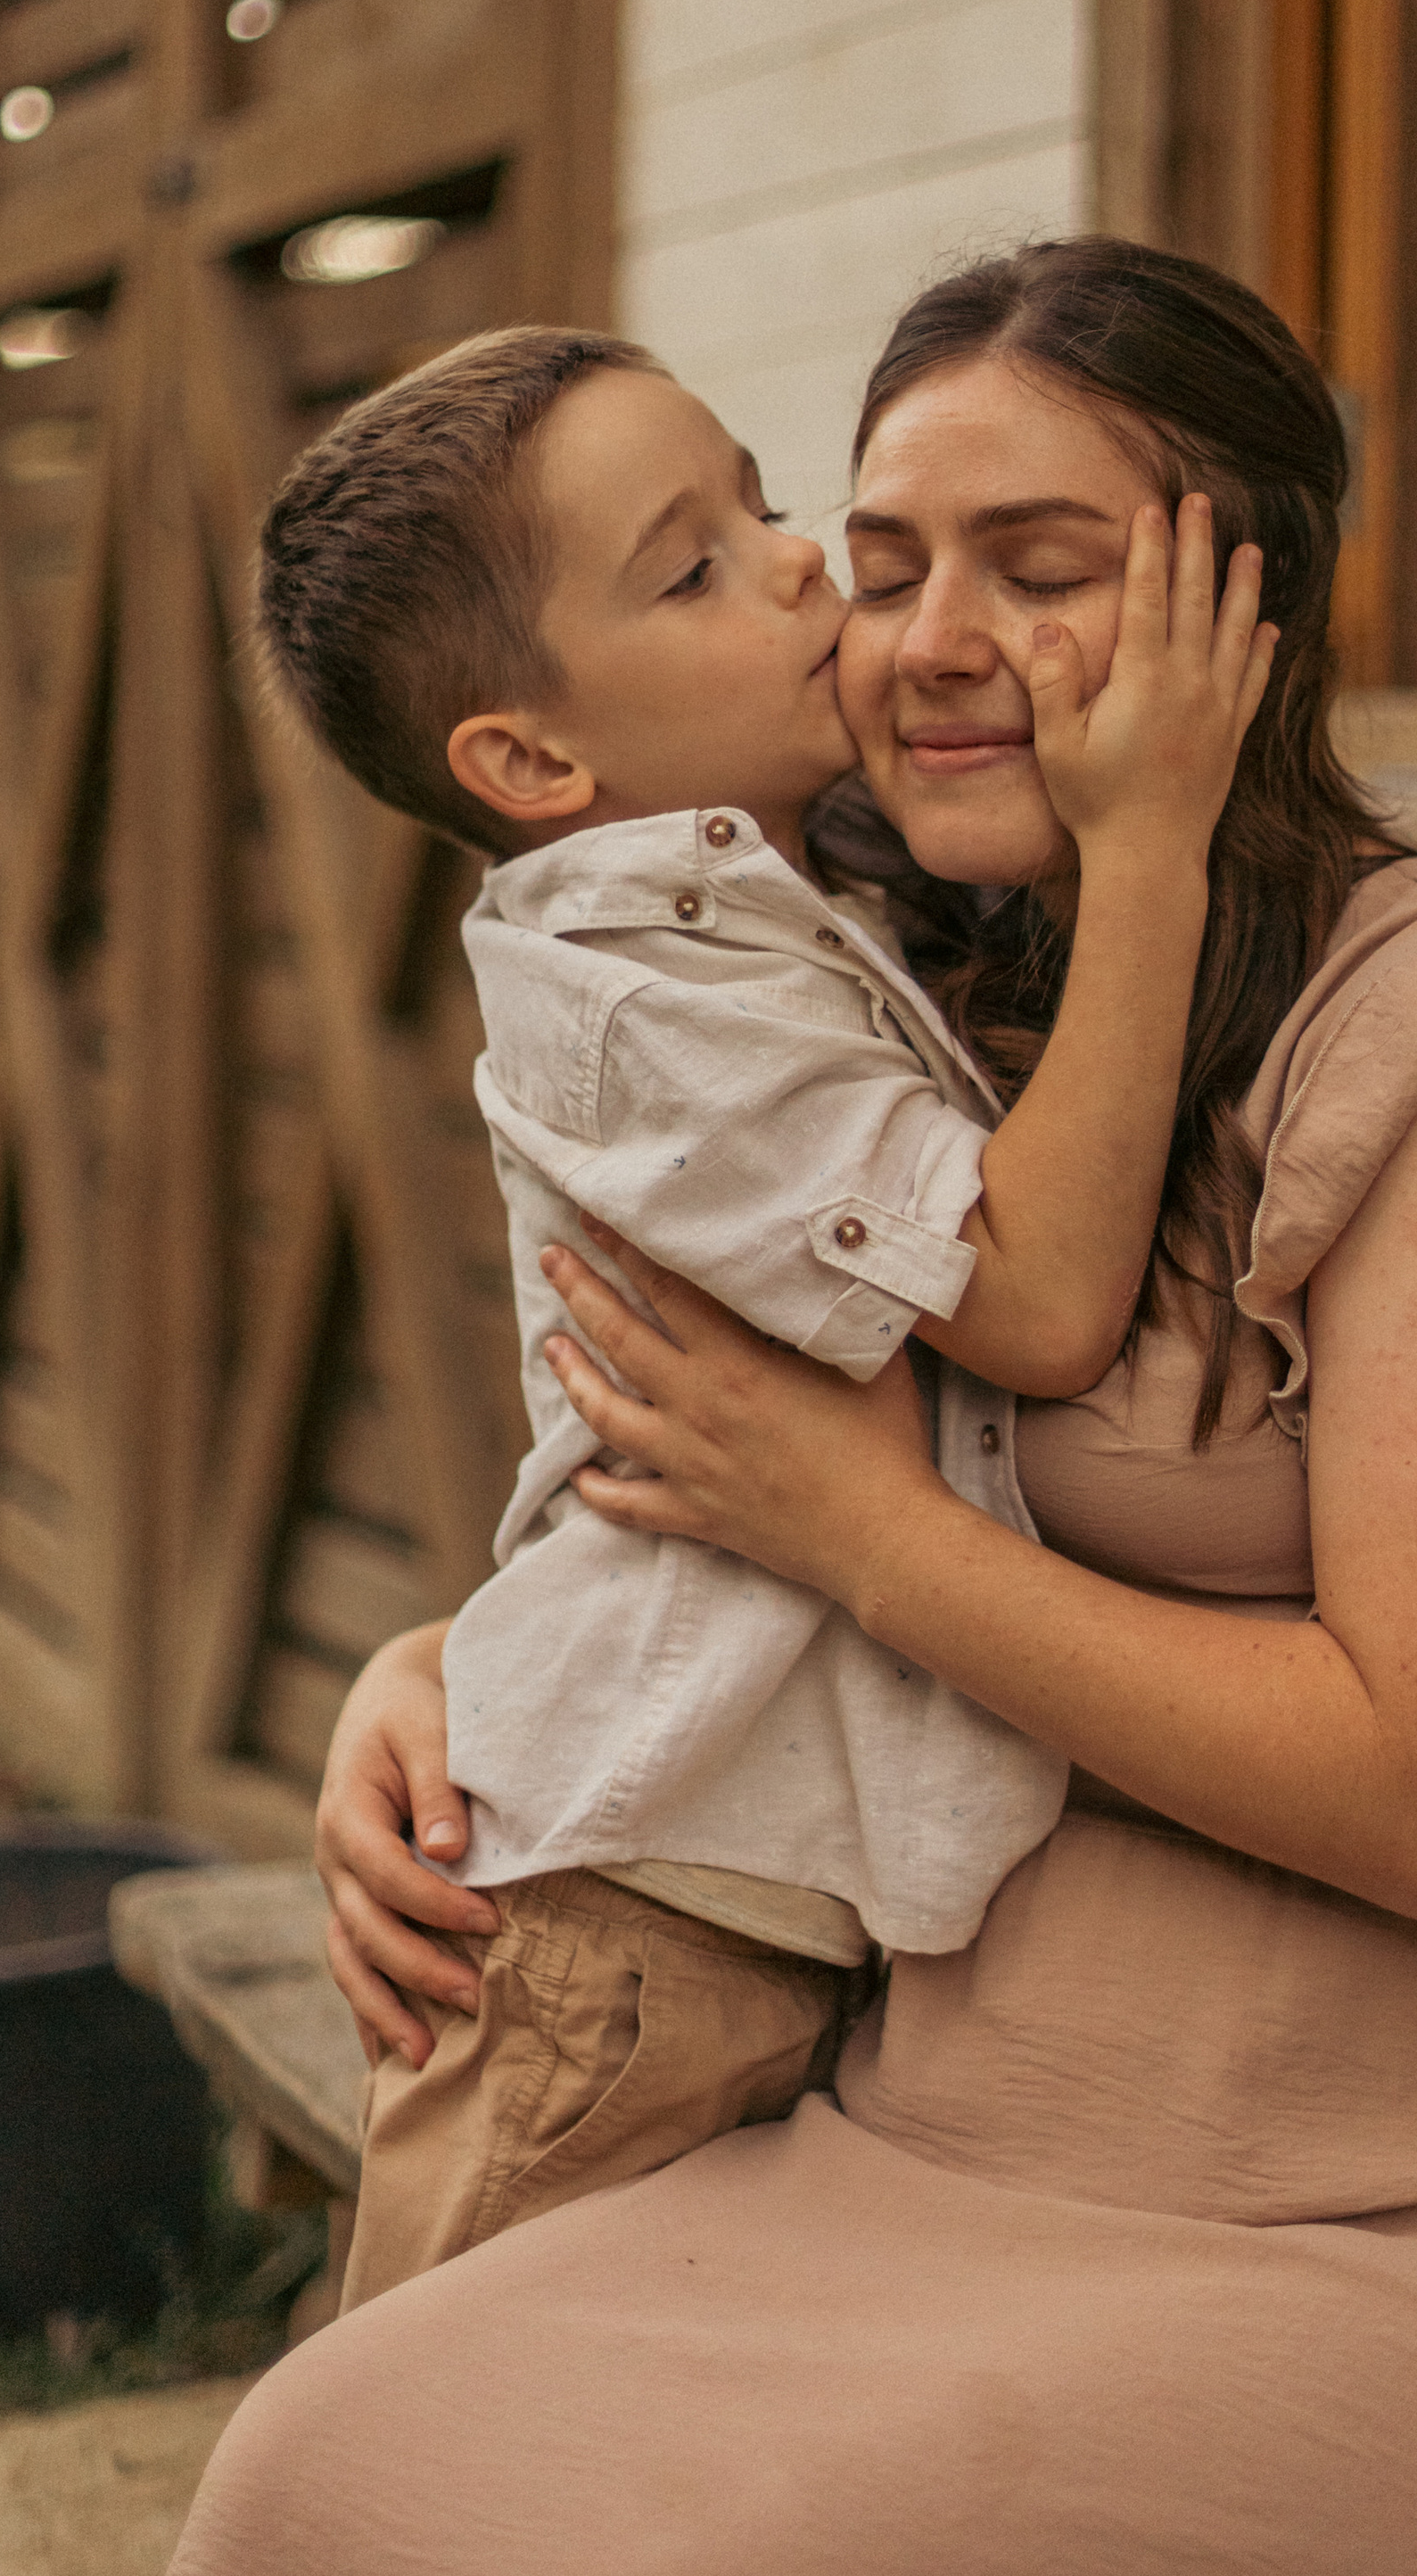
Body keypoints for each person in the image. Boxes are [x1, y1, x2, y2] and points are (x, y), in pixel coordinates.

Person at [152, 239, 1417, 2576]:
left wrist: (858, 1541)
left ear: (1242, 624)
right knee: (323, 2483)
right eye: (887, 554)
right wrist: (439, 1673)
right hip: (945, 2152)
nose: (915, 633)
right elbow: (743, 1459)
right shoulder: (913, 1002)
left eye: (1044, 574)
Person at [251, 324, 1276, 2308]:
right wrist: (1151, 841)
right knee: (445, 2488)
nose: (799, 564)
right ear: (536, 763)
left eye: (756, 498)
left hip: (723, 1896)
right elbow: (1038, 1300)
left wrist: (429, 1658)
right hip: (611, 1931)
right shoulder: (643, 997)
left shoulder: (789, 910)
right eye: (692, 564)